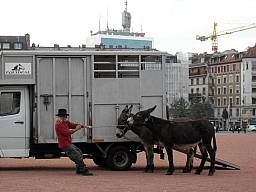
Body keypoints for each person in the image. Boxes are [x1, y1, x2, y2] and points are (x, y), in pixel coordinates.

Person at [55, 108, 93, 176]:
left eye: (65, 116)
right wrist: (77, 129)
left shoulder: (65, 122)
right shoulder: (58, 125)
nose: (65, 117)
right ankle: (83, 170)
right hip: (65, 144)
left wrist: (82, 126)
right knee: (77, 155)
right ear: (60, 117)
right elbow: (67, 133)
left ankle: (79, 169)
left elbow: (72, 125)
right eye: (64, 116)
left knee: (79, 152)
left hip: (68, 143)